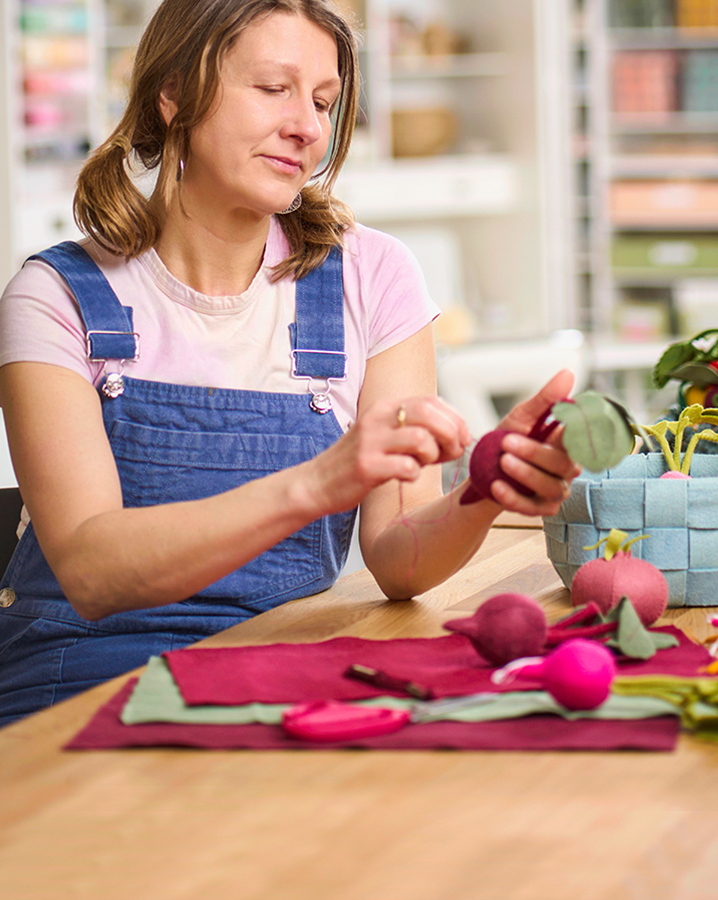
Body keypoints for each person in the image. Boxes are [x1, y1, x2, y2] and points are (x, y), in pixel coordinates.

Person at [0, 0, 579, 726]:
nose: (306, 126)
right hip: (80, 686)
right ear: (173, 92)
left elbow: (398, 559)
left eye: (323, 101)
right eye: (272, 88)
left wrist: (490, 483)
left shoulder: (373, 276)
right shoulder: (56, 297)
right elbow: (91, 572)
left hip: (275, 671)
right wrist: (319, 481)